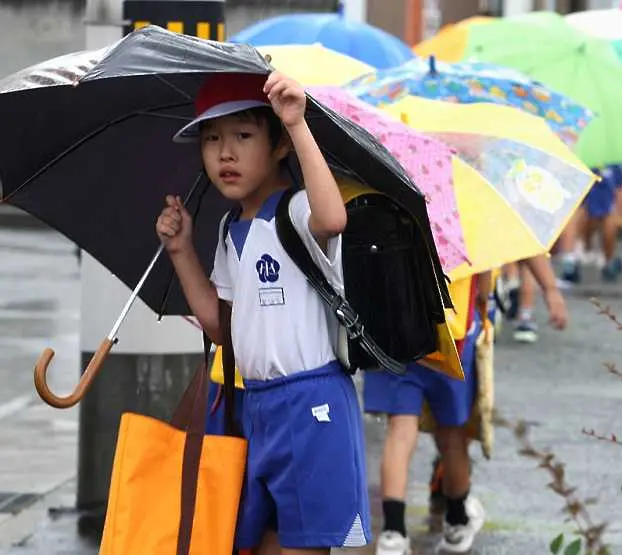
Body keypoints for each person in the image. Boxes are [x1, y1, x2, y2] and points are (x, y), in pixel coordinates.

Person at [155, 71, 370, 555]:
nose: (224, 153)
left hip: (310, 403)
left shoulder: (296, 211)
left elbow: (333, 219)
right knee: (254, 542)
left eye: (243, 136)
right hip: (257, 405)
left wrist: (296, 123)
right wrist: (180, 250)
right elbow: (219, 325)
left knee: (303, 544)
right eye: (211, 139)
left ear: (277, 147)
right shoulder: (232, 229)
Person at [366, 261, 568, 555]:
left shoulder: (395, 212)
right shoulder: (469, 214)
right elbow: (486, 276)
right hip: (453, 330)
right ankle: (457, 521)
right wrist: (549, 289)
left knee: (400, 429)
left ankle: (393, 532)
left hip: (395, 324)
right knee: (453, 435)